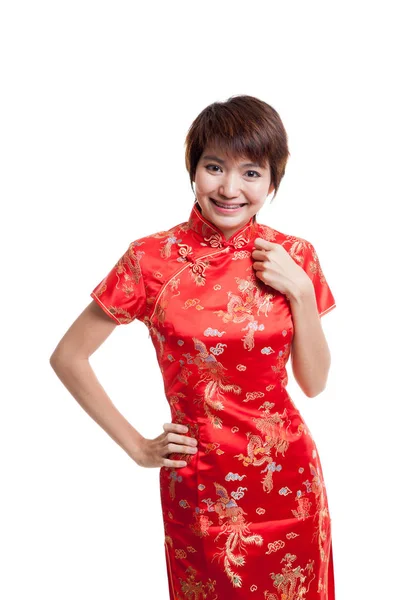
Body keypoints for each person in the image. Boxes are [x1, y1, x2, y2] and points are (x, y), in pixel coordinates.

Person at [50, 94, 336, 599]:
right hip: (204, 486)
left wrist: (300, 291)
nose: (229, 188)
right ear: (193, 170)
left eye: (251, 173)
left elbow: (314, 383)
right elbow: (68, 357)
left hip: (289, 479)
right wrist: (138, 447)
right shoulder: (150, 260)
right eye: (214, 167)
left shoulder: (295, 255)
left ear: (274, 181)